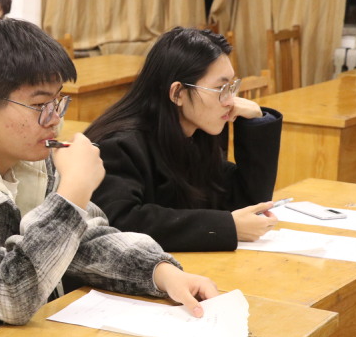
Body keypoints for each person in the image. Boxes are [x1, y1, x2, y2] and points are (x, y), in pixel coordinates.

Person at [0, 18, 218, 333]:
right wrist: (72, 193)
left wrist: (159, 272)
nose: (55, 119)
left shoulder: (23, 146)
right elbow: (8, 295)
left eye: (58, 101)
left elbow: (82, 239)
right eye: (40, 105)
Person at [84, 27, 283, 252]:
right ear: (177, 93)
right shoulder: (119, 144)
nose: (230, 100)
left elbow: (247, 202)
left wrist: (256, 121)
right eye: (220, 88)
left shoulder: (196, 133)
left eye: (231, 87)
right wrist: (227, 227)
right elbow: (121, 223)